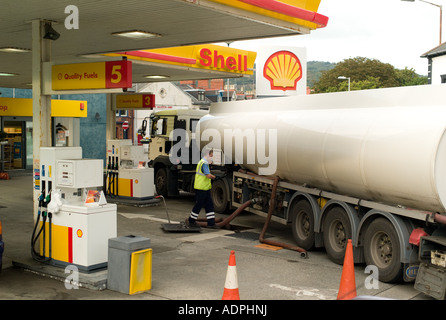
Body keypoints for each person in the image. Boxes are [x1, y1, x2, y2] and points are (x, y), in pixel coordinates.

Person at [187, 149, 217, 228]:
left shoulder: (202, 162)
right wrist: (215, 177)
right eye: (211, 155)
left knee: (209, 205)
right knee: (199, 205)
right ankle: (191, 221)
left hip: (205, 188)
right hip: (201, 188)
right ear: (207, 155)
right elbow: (208, 175)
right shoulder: (204, 163)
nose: (212, 156)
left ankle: (211, 223)